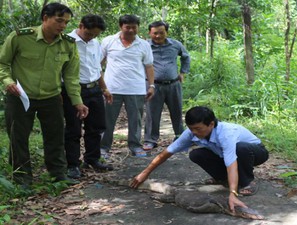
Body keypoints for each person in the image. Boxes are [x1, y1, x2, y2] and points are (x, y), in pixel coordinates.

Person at [0, 2, 89, 186]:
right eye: (59, 20)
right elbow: (3, 63)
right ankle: (22, 179)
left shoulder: (68, 44)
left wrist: (77, 102)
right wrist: (7, 81)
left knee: (55, 137)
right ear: (45, 18)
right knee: (18, 138)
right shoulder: (20, 38)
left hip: (51, 98)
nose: (63, 26)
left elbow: (71, 77)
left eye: (66, 22)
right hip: (20, 97)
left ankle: (58, 175)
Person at [131, 106, 269, 212]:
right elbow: (167, 153)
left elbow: (231, 163)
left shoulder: (226, 134)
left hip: (255, 152)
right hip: (224, 155)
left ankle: (247, 182)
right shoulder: (191, 133)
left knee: (241, 149)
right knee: (196, 154)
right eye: (192, 129)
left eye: (198, 128)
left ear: (211, 124)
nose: (195, 133)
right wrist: (145, 173)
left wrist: (233, 193)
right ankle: (223, 179)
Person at [62, 14, 113, 179]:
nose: (91, 37)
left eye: (95, 35)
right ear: (81, 25)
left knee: (96, 127)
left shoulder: (95, 43)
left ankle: (92, 159)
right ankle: (73, 165)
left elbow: (97, 67)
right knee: (73, 129)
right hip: (74, 90)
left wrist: (104, 88)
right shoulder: (65, 41)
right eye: (89, 33)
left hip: (94, 90)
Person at [100, 14, 155, 157]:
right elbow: (99, 63)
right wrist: (101, 85)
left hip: (135, 88)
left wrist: (152, 86)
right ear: (121, 27)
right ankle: (103, 148)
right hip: (112, 88)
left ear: (138, 27)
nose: (130, 30)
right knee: (107, 119)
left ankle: (135, 146)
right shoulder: (108, 41)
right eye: (127, 27)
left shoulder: (144, 45)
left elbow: (149, 66)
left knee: (135, 120)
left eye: (134, 27)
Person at [143, 21, 190, 151]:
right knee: (152, 114)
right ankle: (150, 140)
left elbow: (186, 57)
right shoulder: (145, 46)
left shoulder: (175, 44)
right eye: (155, 33)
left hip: (173, 84)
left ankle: (180, 136)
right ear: (149, 33)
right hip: (153, 85)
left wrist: (183, 73)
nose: (158, 36)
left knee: (177, 111)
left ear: (166, 32)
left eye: (161, 32)